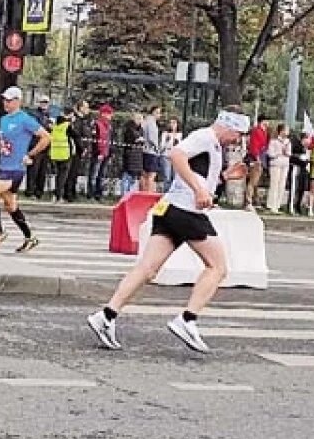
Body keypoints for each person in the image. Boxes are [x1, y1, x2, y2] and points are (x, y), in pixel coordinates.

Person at [86, 109, 250, 353]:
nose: (237, 140)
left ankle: (106, 315)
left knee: (147, 269)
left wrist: (225, 177)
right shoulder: (205, 137)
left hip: (171, 209)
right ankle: (187, 319)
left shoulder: (213, 145)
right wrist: (199, 191)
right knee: (218, 267)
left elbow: (198, 174)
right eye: (238, 134)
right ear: (227, 126)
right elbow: (177, 154)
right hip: (186, 212)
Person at [0, 87, 50, 252]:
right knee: (11, 206)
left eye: (9, 100)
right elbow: (1, 144)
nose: (6, 103)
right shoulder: (4, 120)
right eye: (4, 100)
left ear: (18, 101)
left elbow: (46, 137)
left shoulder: (25, 119)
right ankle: (30, 237)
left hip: (15, 169)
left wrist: (30, 154)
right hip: (4, 165)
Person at [26, 96, 54, 198]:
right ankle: (30, 191)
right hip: (36, 145)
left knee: (42, 170)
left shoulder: (48, 115)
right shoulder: (33, 114)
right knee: (33, 170)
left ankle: (39, 192)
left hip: (46, 146)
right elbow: (35, 128)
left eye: (46, 102)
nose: (44, 104)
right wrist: (47, 125)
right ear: (38, 103)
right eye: (42, 102)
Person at [49, 108, 79, 203]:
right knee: (63, 176)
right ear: (69, 115)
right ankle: (58, 196)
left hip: (55, 153)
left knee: (58, 175)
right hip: (65, 154)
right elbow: (76, 136)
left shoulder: (55, 125)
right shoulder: (67, 125)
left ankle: (56, 195)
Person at [88, 105, 113, 201]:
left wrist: (110, 152)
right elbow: (95, 140)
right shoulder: (97, 124)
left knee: (101, 175)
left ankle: (99, 194)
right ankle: (91, 194)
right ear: (103, 114)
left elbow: (110, 139)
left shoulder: (109, 125)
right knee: (94, 174)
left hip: (106, 153)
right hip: (98, 153)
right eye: (109, 113)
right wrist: (98, 152)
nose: (111, 115)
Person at [244, 116, 269, 211]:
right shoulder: (256, 131)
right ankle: (248, 201)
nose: (268, 123)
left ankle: (254, 200)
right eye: (266, 121)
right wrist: (257, 158)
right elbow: (254, 145)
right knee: (252, 180)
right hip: (256, 157)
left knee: (256, 181)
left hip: (261, 156)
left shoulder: (264, 132)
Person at [266, 123, 292, 213]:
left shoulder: (288, 142)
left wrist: (286, 151)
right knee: (274, 184)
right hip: (275, 164)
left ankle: (277, 205)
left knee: (282, 185)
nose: (287, 132)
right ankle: (271, 205)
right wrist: (278, 153)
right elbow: (270, 153)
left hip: (284, 164)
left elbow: (289, 153)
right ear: (281, 131)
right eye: (286, 130)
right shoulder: (274, 141)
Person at [120, 113, 145, 196]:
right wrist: (138, 139)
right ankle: (124, 195)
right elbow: (131, 139)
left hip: (138, 156)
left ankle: (130, 195)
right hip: (130, 154)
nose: (140, 120)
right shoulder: (129, 128)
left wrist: (140, 140)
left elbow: (141, 140)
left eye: (141, 119)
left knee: (134, 177)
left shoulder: (141, 129)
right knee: (127, 175)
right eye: (138, 118)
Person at [141, 105, 163, 194]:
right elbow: (152, 137)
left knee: (144, 174)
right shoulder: (151, 122)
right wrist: (157, 148)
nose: (159, 115)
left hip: (145, 150)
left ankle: (143, 193)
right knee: (151, 174)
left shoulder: (145, 121)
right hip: (151, 151)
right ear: (153, 112)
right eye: (158, 112)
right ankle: (148, 193)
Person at [159, 117, 182, 191]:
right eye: (171, 123)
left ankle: (173, 193)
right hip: (166, 155)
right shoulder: (165, 134)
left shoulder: (179, 134)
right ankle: (166, 193)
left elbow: (180, 146)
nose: (172, 125)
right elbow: (162, 146)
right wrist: (167, 141)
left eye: (174, 123)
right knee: (167, 176)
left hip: (175, 157)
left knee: (175, 176)